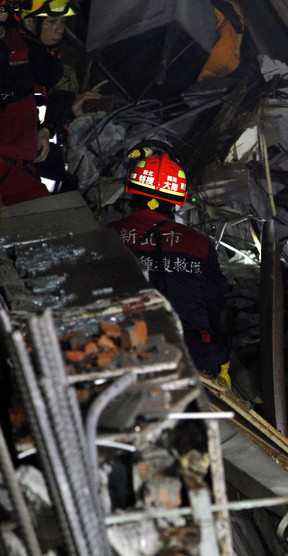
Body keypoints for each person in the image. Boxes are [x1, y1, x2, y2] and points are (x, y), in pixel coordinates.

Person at [108, 150, 233, 383]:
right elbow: (217, 308)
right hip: (193, 357)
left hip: (126, 354)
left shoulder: (109, 237)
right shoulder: (199, 245)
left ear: (132, 193)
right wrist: (222, 359)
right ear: (176, 202)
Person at [18, 0, 99, 193]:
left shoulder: (58, 68)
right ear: (29, 23)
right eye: (51, 22)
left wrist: (69, 112)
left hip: (45, 176)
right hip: (17, 171)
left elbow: (49, 112)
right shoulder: (18, 64)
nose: (59, 29)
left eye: (63, 22)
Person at [0, 0, 62, 204]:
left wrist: (46, 129)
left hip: (23, 161)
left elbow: (60, 81)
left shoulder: (25, 48)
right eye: (51, 22)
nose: (59, 28)